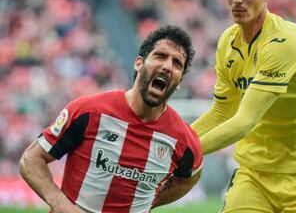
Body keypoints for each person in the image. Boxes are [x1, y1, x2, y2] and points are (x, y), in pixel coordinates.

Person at [191, 0, 296, 212]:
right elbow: (222, 111)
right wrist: (172, 142)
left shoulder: (285, 42)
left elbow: (244, 122)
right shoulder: (227, 42)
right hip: (255, 174)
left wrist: (184, 153)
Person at [19, 25, 203, 213]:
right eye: (160, 56)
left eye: (177, 63)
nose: (167, 67)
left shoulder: (184, 140)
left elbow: (188, 179)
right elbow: (31, 159)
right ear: (139, 63)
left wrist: (150, 202)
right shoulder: (89, 111)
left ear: (179, 82)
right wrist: (60, 203)